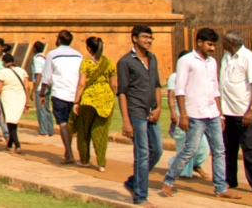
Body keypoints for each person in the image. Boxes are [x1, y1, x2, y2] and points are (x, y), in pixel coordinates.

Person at [161, 28, 237, 200]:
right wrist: (183, 115)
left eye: (213, 45)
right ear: (199, 42)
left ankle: (220, 188)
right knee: (190, 150)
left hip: (212, 114)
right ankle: (169, 180)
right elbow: (179, 90)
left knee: (219, 150)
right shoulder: (186, 61)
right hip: (195, 114)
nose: (212, 48)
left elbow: (215, 89)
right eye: (209, 45)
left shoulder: (212, 62)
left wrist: (221, 114)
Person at [119, 25, 164, 204]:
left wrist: (159, 107)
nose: (148, 41)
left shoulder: (152, 59)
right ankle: (140, 196)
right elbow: (122, 92)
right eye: (145, 37)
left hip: (152, 111)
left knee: (157, 151)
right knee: (142, 153)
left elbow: (157, 85)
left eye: (151, 38)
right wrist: (125, 121)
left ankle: (133, 182)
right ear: (134, 38)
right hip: (136, 111)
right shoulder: (125, 62)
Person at [220, 30, 252, 196]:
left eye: (224, 40)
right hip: (227, 111)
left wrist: (251, 109)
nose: (221, 43)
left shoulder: (248, 57)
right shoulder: (226, 57)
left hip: (244, 112)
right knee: (228, 148)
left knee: (250, 148)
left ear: (230, 42)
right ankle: (230, 179)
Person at [72, 36, 118, 171]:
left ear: (89, 48)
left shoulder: (86, 63)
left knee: (84, 131)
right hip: (105, 100)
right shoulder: (109, 63)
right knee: (101, 132)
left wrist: (76, 101)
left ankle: (85, 160)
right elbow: (114, 85)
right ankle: (101, 163)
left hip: (88, 100)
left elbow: (81, 83)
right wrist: (110, 97)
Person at [43, 30, 84, 163]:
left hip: (60, 93)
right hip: (76, 94)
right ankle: (68, 151)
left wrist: (41, 93)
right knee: (70, 125)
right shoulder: (79, 55)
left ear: (59, 40)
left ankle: (70, 153)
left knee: (63, 124)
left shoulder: (52, 55)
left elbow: (47, 77)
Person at [0, 50, 33, 154]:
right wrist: (26, 101)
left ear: (4, 62)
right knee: (13, 121)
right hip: (20, 98)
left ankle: (17, 145)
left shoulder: (2, 72)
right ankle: (9, 144)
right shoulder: (22, 71)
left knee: (10, 122)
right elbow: (26, 87)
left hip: (7, 98)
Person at [27, 41, 55, 136]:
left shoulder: (38, 59)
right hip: (47, 85)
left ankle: (43, 130)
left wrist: (33, 90)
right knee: (46, 108)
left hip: (40, 87)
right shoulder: (45, 58)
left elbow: (39, 75)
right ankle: (50, 129)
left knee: (41, 108)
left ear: (35, 49)